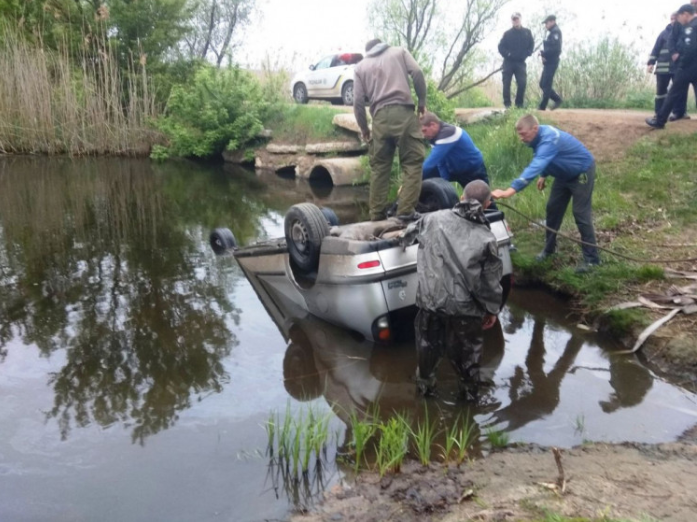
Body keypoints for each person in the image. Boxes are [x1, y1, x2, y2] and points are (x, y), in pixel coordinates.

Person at [400, 180, 503, 401]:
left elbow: (406, 235)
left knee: (427, 353)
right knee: (468, 358)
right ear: (487, 205)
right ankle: (468, 401)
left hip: (430, 302)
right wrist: (492, 310)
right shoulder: (487, 237)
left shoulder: (431, 219)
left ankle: (425, 395)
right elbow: (491, 281)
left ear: (460, 198)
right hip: (465, 309)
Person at [491, 114, 600, 273]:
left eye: (523, 134)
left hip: (581, 172)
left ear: (535, 128)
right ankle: (549, 250)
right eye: (519, 134)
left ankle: (592, 261)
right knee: (553, 209)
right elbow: (548, 158)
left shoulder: (549, 138)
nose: (521, 138)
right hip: (563, 175)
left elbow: (537, 162)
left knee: (581, 214)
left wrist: (510, 190)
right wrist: (544, 174)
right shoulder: (537, 138)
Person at [353, 38, 427, 221]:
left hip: (379, 119)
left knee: (379, 168)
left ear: (367, 51)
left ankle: (376, 215)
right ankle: (405, 212)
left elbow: (357, 102)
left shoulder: (360, 67)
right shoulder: (399, 52)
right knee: (412, 163)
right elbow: (417, 72)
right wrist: (422, 102)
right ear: (382, 45)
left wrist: (364, 128)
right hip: (403, 113)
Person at [647, 4, 697, 129]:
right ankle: (660, 119)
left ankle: (660, 121)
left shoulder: (692, 27)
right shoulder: (686, 27)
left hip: (688, 67)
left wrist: (681, 62)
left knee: (673, 93)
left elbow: (691, 48)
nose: (679, 20)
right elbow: (669, 41)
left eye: (680, 17)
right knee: (674, 92)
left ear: (685, 14)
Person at [667, 0, 697, 120]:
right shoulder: (681, 19)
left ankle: (660, 118)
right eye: (692, 2)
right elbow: (671, 38)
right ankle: (679, 112)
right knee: (679, 87)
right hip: (682, 58)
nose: (694, 4)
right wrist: (674, 53)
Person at [498, 12, 535, 109]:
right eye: (514, 19)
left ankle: (519, 104)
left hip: (520, 62)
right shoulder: (507, 34)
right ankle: (507, 105)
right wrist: (508, 54)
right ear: (512, 21)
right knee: (506, 83)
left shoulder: (527, 32)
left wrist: (527, 53)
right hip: (508, 62)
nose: (515, 21)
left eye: (517, 19)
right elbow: (500, 47)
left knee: (522, 82)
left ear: (520, 19)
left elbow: (531, 45)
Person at [648, 13, 678, 116]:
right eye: (672, 19)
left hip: (677, 69)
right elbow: (656, 49)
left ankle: (678, 113)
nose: (673, 20)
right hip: (662, 69)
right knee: (661, 91)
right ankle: (658, 112)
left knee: (678, 91)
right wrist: (650, 63)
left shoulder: (682, 34)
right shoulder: (663, 34)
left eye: (675, 19)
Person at [538, 15, 563, 111]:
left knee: (546, 84)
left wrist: (544, 53)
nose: (546, 25)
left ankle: (542, 106)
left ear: (552, 21)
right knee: (542, 83)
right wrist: (543, 54)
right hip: (548, 62)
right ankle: (557, 99)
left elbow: (556, 49)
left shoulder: (556, 32)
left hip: (552, 61)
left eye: (547, 23)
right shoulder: (552, 32)